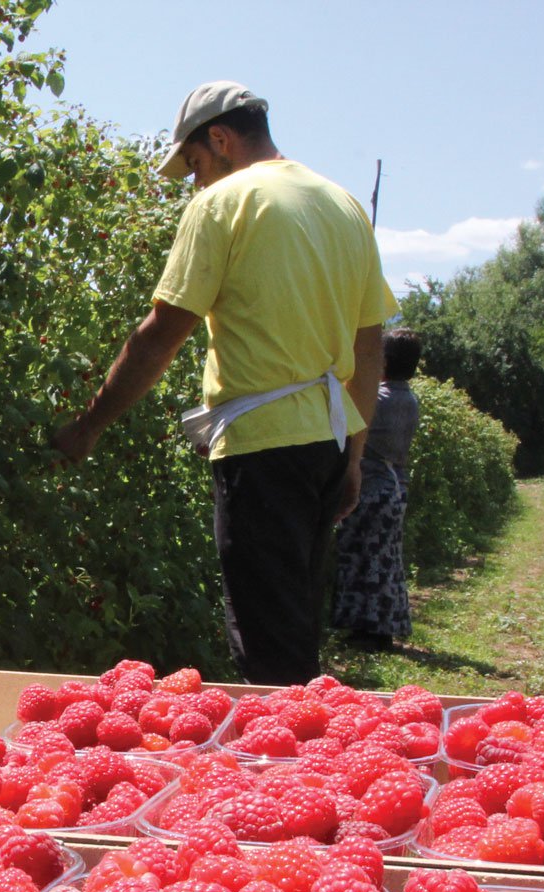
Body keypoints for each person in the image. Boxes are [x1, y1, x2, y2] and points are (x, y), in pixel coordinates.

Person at [52, 81, 397, 685]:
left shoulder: (224, 203)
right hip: (329, 440)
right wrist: (354, 456)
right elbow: (369, 348)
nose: (195, 182)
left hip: (263, 446)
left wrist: (89, 425)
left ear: (219, 138)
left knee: (268, 643)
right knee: (295, 623)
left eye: (194, 164)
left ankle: (283, 744)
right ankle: (305, 733)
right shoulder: (342, 204)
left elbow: (162, 333)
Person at [331, 328, 422, 650]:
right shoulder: (408, 399)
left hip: (372, 489)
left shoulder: (378, 400)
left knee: (365, 558)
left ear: (382, 361)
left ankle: (369, 632)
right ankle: (381, 628)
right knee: (385, 561)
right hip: (395, 488)